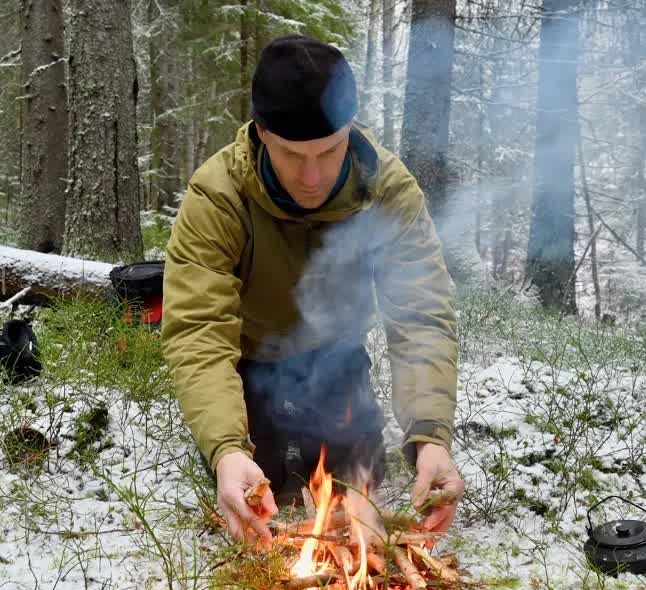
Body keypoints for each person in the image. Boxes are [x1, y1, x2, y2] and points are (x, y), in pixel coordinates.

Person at [161, 35, 463, 546]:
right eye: (291, 154)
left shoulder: (386, 191)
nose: (312, 175)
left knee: (360, 477)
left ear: (350, 130)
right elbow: (197, 330)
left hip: (335, 358)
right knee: (260, 480)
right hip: (250, 361)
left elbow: (420, 314)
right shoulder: (218, 194)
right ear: (261, 134)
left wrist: (431, 436)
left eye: (328, 151)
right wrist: (228, 449)